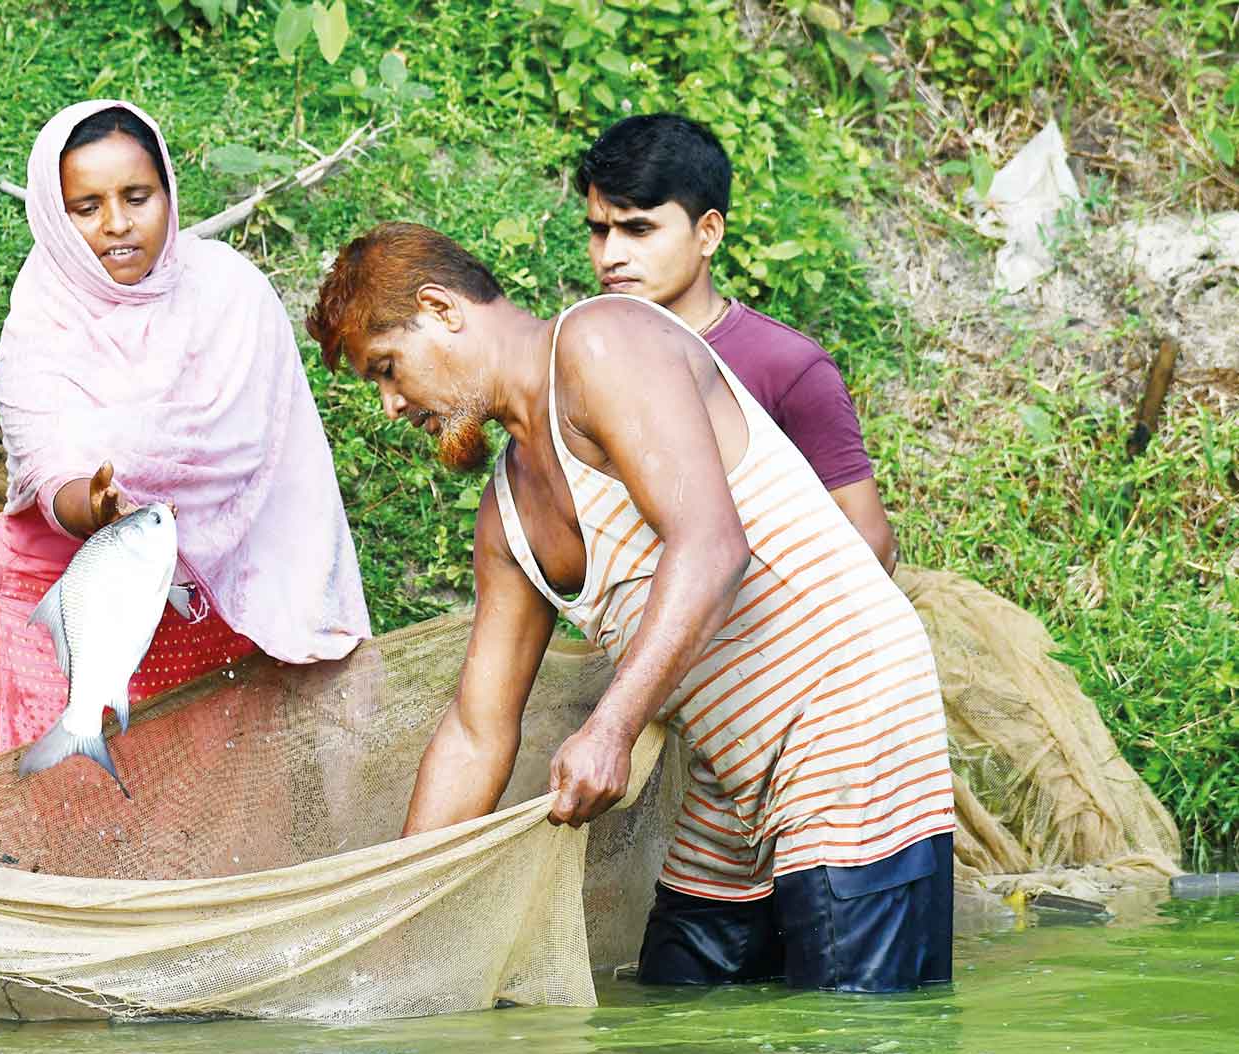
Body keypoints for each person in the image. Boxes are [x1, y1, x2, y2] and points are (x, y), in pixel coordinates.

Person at [305, 222, 954, 992]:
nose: (389, 405)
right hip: (734, 768)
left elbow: (712, 546)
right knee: (677, 1017)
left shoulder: (602, 344)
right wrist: (393, 925)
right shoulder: (505, 517)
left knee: (851, 1040)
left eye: (386, 368)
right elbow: (478, 732)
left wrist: (610, 729)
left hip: (851, 719)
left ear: (441, 308)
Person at [0, 100, 369, 766]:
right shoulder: (42, 313)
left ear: (169, 193)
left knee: (198, 822)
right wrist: (92, 509)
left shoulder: (231, 294)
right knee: (58, 826)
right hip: (56, 599)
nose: (117, 224)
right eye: (85, 207)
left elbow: (273, 462)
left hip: (207, 609)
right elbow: (47, 465)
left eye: (137, 196)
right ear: (53, 217)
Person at [576, 114, 897, 572]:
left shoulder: (787, 368)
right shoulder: (586, 357)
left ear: (707, 233)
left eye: (639, 230)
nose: (611, 256)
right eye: (600, 230)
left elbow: (871, 543)